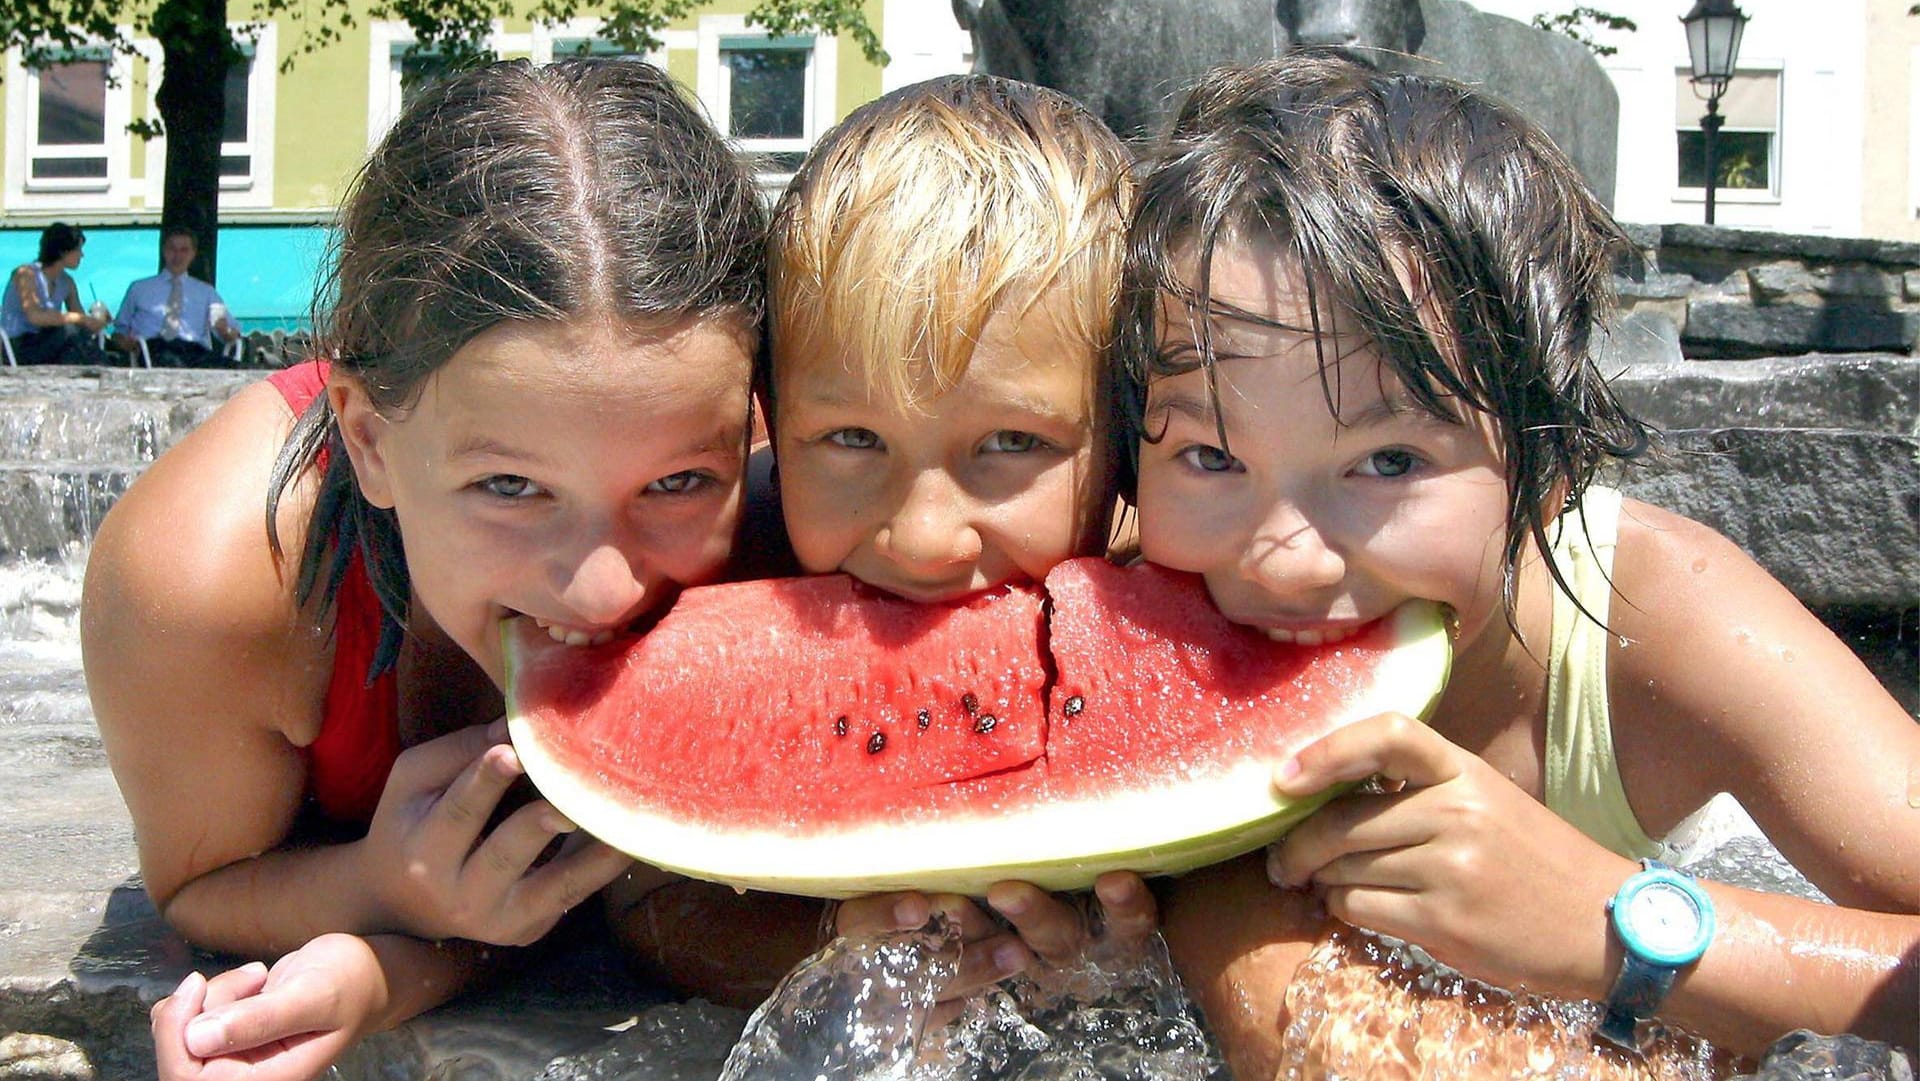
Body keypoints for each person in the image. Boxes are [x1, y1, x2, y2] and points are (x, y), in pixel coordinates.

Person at [1116, 54, 1920, 1077]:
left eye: (1389, 461)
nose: (1289, 559)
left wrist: (1616, 926)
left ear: (1550, 466)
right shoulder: (1125, 597)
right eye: (1211, 456)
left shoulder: (1662, 619)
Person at [92, 56, 770, 1081]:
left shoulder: (792, 497)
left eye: (677, 481)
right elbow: (198, 885)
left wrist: (395, 967)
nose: (603, 589)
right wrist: (378, 885)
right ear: (366, 440)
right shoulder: (207, 582)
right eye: (509, 486)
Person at [610, 71, 1162, 1010]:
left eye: (1011, 444)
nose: (925, 537)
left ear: (1125, 443)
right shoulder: (721, 574)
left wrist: (1149, 953)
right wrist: (815, 944)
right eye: (854, 440)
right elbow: (640, 900)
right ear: (772, 422)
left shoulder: (1176, 587)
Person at [110, 227, 243, 367]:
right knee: (168, 358)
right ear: (163, 251)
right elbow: (119, 332)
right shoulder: (139, 288)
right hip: (153, 350)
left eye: (184, 250)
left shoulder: (206, 292)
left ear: (193, 254)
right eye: (172, 249)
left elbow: (232, 335)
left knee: (235, 369)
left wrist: (224, 330)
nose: (177, 256)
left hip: (194, 352)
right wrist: (128, 343)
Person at [2, 221, 110, 365]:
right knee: (69, 329)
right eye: (78, 249)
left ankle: (97, 370)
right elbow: (35, 316)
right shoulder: (26, 274)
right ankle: (105, 367)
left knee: (74, 342)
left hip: (49, 343)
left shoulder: (67, 282)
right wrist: (78, 318)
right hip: (20, 344)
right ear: (63, 251)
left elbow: (82, 326)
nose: (82, 255)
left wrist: (99, 321)